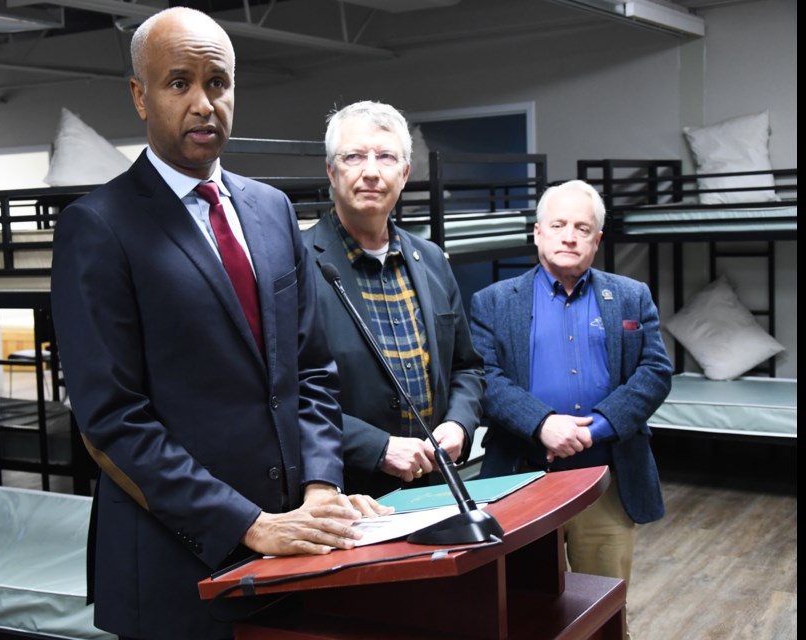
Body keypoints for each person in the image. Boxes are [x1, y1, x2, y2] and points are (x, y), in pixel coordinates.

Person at [50, 9, 388, 640]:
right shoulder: (99, 227)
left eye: (218, 82)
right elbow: (113, 420)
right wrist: (247, 524)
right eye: (179, 83)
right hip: (177, 566)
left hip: (295, 547)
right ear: (140, 97)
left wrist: (319, 487)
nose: (205, 103)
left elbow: (310, 367)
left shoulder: (272, 210)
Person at [469, 179, 672, 635]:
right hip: (521, 481)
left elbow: (655, 372)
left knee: (603, 607)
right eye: (558, 224)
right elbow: (486, 379)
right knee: (522, 606)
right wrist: (543, 425)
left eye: (582, 227)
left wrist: (594, 428)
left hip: (605, 480)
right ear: (537, 232)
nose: (569, 236)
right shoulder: (494, 302)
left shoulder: (631, 295)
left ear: (597, 240)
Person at [302, 100, 485, 498]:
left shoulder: (432, 259)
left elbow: (467, 369)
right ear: (331, 171)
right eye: (354, 157)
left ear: (404, 174)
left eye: (385, 157)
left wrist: (458, 424)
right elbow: (286, 394)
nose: (371, 171)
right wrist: (376, 448)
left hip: (437, 484)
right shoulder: (294, 265)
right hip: (347, 494)